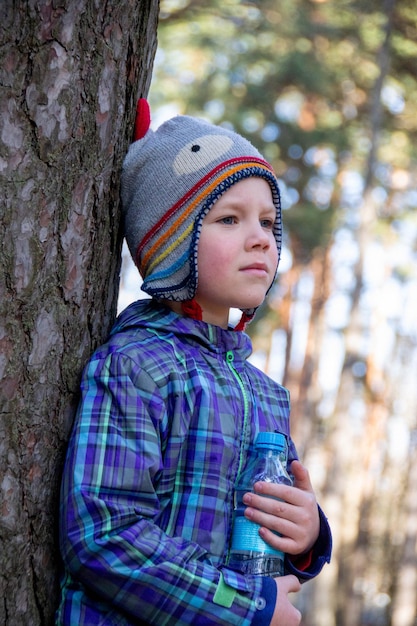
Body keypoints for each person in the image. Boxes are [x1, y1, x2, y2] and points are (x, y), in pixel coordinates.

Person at [56, 99, 332, 626]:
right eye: (229, 218)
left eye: (269, 221)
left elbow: (264, 543)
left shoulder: (266, 393)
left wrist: (307, 535)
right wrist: (245, 606)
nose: (261, 237)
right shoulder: (136, 367)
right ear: (171, 243)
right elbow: (103, 537)